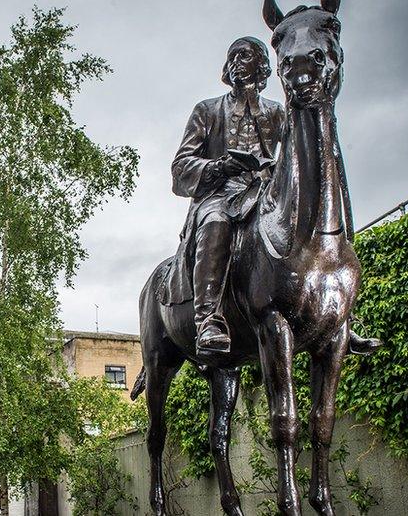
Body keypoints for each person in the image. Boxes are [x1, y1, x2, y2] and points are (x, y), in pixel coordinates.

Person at [160, 36, 380, 355]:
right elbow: (181, 168)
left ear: (262, 66)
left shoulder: (277, 113)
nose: (236, 61)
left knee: (310, 228)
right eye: (232, 56)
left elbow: (299, 155)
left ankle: (335, 316)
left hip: (265, 196)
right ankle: (208, 319)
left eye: (245, 56)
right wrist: (221, 165)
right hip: (221, 194)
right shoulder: (206, 110)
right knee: (215, 221)